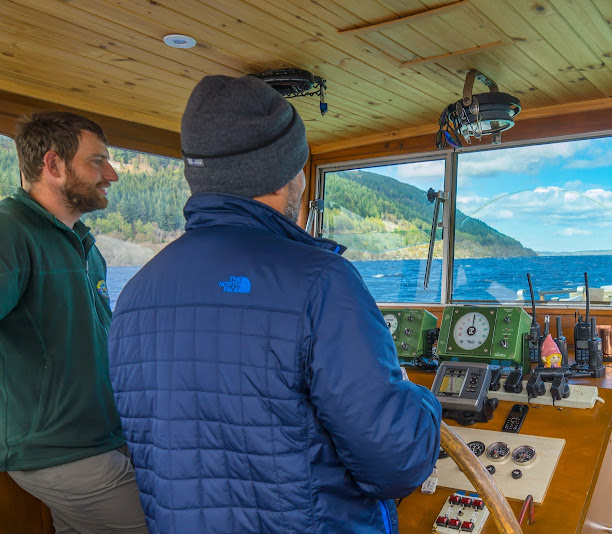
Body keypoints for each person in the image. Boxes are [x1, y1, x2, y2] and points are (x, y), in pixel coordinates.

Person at [108, 75, 442, 534]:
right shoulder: (322, 283)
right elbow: (397, 463)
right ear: (287, 175)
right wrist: (421, 398)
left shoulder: (135, 295)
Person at [0, 111, 147, 533]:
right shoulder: (10, 231)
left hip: (93, 441)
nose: (113, 174)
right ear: (53, 165)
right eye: (97, 161)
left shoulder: (83, 244)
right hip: (57, 450)